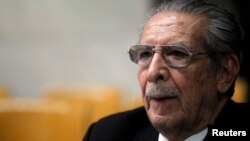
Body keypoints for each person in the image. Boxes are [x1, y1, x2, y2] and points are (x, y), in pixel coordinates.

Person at [83, 0, 250, 140]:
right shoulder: (108, 134)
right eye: (146, 54)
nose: (153, 73)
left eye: (177, 54)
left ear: (224, 72)